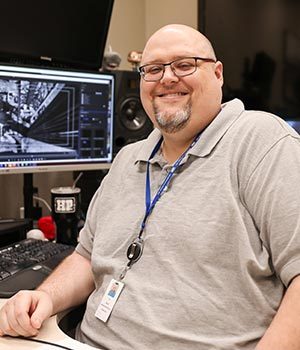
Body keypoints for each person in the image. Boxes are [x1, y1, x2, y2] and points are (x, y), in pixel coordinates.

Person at [1, 23, 300, 350]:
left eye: (185, 65)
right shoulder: (128, 157)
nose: (167, 78)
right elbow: (86, 258)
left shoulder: (262, 142)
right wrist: (43, 297)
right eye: (153, 69)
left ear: (218, 74)